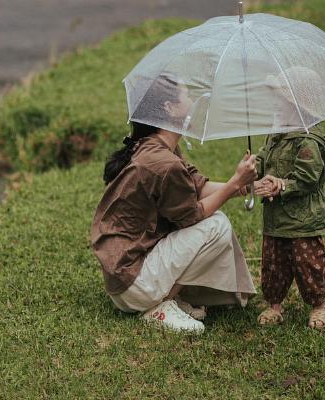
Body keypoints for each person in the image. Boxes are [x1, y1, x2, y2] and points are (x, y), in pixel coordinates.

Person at [90, 74, 262, 334]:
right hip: (135, 284)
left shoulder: (154, 147)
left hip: (125, 281)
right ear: (169, 108)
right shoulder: (162, 162)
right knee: (217, 225)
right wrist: (233, 184)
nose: (192, 100)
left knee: (214, 222)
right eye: (186, 95)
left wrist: (248, 186)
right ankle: (161, 304)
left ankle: (165, 297)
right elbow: (193, 215)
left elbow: (197, 186)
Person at [254, 66, 325, 330]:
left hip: (303, 219)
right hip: (276, 219)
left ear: (299, 104)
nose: (275, 104)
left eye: (281, 99)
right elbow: (265, 159)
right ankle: (274, 305)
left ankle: (318, 306)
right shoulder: (277, 136)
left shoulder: (308, 140)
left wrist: (281, 186)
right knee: (274, 263)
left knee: (308, 263)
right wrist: (254, 167)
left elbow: (308, 179)